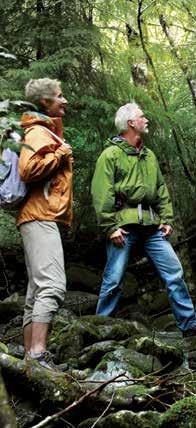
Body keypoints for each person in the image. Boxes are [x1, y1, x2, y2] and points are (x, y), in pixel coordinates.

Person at [91, 102, 196, 337]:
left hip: (152, 226)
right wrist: (110, 227)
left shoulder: (149, 155)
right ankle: (98, 329)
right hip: (123, 227)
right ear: (130, 123)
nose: (147, 120)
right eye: (142, 117)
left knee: (174, 271)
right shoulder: (110, 155)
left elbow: (161, 189)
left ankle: (189, 323)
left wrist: (167, 220)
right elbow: (101, 193)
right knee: (114, 278)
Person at [17, 78, 72, 369]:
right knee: (52, 286)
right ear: (45, 103)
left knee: (36, 291)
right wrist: (61, 152)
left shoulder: (42, 130)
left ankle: (30, 359)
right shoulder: (38, 131)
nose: (65, 101)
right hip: (40, 216)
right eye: (60, 97)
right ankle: (38, 354)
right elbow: (28, 169)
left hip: (36, 216)